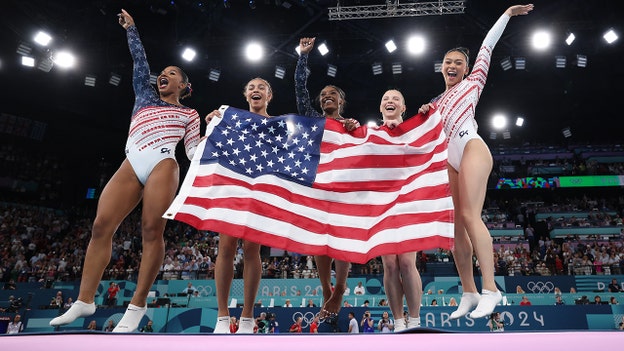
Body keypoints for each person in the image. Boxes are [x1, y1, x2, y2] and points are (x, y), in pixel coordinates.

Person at [49, 9, 201, 333]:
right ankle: (85, 299)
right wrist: (132, 29)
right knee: (101, 225)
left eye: (173, 73)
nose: (164, 74)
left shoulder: (189, 113)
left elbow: (191, 152)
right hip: (131, 162)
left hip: (163, 162)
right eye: (164, 72)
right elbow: (140, 63)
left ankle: (138, 305)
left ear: (185, 85)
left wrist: (212, 138)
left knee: (151, 230)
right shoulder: (144, 95)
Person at [420, 4, 534, 320]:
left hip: (471, 146)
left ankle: (491, 289)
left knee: (470, 216)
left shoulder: (474, 83)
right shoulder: (433, 103)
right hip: (450, 159)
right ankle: (468, 292)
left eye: (458, 62)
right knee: (455, 229)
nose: (453, 65)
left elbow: (488, 44)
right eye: (448, 62)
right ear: (441, 68)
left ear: (467, 69)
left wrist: (507, 15)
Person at [294, 37, 359, 320]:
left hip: (343, 185)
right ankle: (325, 289)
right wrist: (302, 57)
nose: (325, 96)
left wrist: (355, 130)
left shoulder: (351, 125)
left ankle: (341, 287)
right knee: (319, 239)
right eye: (323, 94)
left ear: (342, 101)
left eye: (331, 93)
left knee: (342, 237)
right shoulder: (311, 118)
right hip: (316, 181)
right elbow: (299, 89)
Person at [206, 77, 273, 334]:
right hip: (234, 187)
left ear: (269, 95)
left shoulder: (277, 124)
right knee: (226, 247)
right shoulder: (230, 121)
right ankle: (222, 316)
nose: (256, 90)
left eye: (262, 87)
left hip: (260, 190)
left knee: (251, 251)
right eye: (251, 87)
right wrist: (214, 122)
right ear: (246, 95)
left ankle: (247, 316)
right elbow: (211, 143)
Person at [377, 89, 423, 331]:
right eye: (386, 99)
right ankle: (397, 321)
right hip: (382, 205)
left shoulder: (416, 131)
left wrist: (426, 118)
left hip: (408, 201)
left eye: (396, 99)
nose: (390, 101)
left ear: (404, 108)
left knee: (406, 262)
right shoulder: (371, 134)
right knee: (390, 265)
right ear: (380, 108)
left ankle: (414, 320)